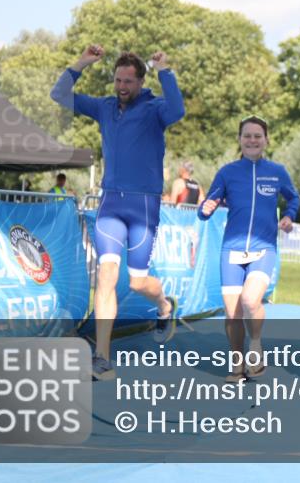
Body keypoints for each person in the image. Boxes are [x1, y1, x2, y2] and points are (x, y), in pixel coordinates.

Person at [51, 45, 185, 380]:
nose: (121, 86)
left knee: (138, 282)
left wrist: (164, 70)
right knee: (106, 277)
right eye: (117, 80)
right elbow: (58, 93)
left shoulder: (155, 109)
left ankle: (165, 306)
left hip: (143, 206)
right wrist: (82, 62)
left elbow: (178, 110)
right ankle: (102, 356)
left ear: (140, 81)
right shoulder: (105, 107)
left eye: (128, 81)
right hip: (110, 203)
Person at [198, 116, 300, 382]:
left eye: (257, 136)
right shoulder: (227, 172)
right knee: (232, 314)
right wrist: (205, 208)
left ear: (266, 140)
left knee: (251, 300)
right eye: (247, 136)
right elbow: (209, 202)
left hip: (264, 248)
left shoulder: (277, 171)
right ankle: (237, 366)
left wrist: (289, 216)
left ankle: (256, 344)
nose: (252, 140)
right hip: (231, 250)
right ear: (240, 140)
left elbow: (293, 197)